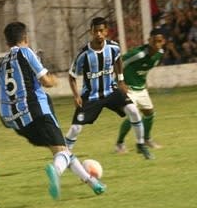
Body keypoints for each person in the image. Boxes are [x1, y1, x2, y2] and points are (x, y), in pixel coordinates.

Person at [0, 21, 106, 200]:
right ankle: (55, 170)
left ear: (7, 43)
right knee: (61, 152)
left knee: (62, 150)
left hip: (17, 122)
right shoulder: (26, 52)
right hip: (36, 111)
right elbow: (45, 81)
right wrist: (54, 80)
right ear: (26, 38)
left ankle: (93, 184)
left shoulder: (2, 62)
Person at [64, 17, 153, 160]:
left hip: (111, 91)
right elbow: (71, 76)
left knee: (133, 111)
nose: (98, 34)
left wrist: (121, 80)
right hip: (91, 96)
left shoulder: (113, 47)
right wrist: (76, 96)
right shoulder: (84, 54)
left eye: (101, 31)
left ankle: (140, 144)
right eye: (95, 31)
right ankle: (64, 155)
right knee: (75, 128)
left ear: (106, 31)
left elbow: (118, 59)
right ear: (91, 32)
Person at [115, 28, 166, 152]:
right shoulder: (138, 53)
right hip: (128, 88)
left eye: (159, 41)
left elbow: (143, 69)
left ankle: (146, 139)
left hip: (141, 89)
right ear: (149, 40)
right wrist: (120, 82)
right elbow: (118, 62)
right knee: (133, 115)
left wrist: (142, 82)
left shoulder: (159, 54)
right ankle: (119, 144)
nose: (156, 44)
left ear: (163, 41)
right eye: (154, 41)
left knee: (149, 113)